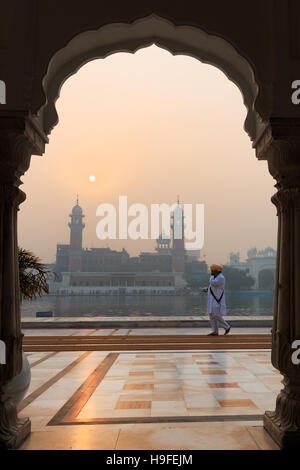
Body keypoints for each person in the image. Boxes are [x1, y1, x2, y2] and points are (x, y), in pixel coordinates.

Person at [202, 264, 231, 336]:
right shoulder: (215, 277)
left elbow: (213, 283)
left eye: (212, 271)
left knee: (216, 314)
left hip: (217, 299)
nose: (211, 272)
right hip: (212, 299)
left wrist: (211, 277)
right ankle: (215, 331)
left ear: (216, 271)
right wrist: (207, 289)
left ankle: (227, 327)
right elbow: (212, 287)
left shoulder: (220, 277)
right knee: (211, 314)